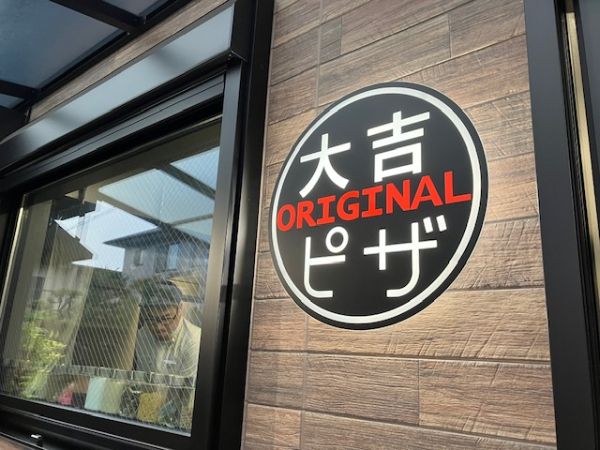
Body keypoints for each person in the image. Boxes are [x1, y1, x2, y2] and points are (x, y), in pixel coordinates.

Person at [134, 279, 201, 378]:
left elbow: (186, 387)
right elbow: (141, 380)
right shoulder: (142, 335)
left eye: (166, 318)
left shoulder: (194, 342)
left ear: (180, 309)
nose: (158, 327)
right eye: (151, 319)